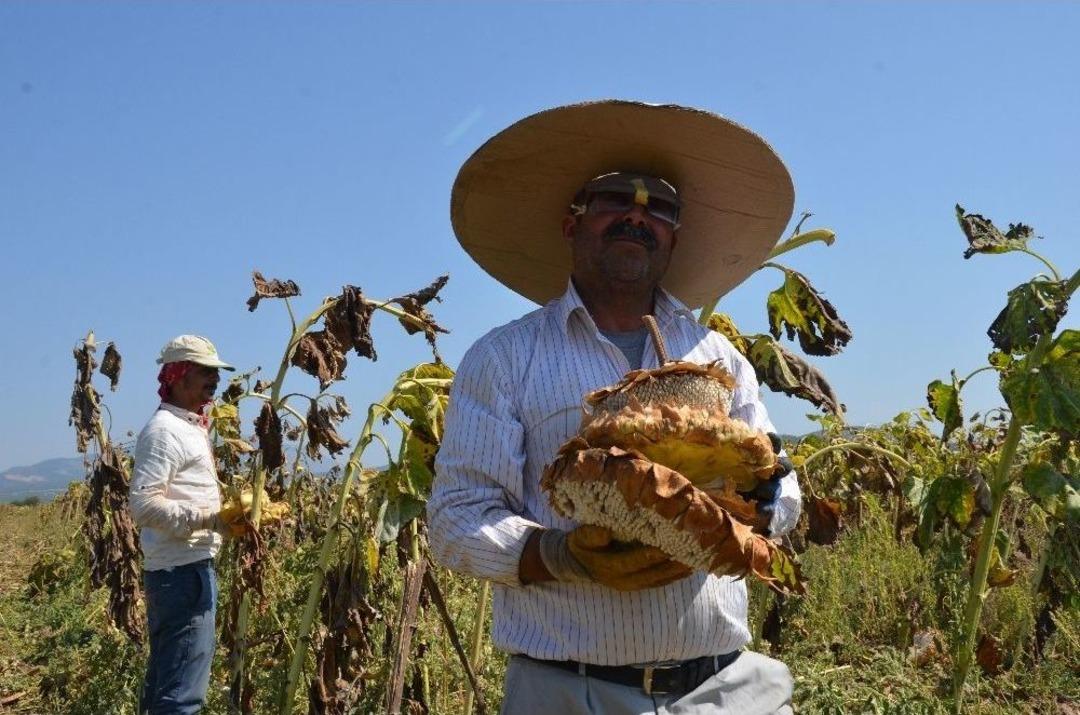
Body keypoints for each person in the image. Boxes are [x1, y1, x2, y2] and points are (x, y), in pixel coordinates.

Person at [427, 101, 802, 714]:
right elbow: (455, 520)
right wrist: (560, 555)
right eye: (613, 201)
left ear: (674, 237)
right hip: (571, 691)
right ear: (573, 224)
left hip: (724, 687)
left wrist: (757, 511)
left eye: (658, 207)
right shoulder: (504, 358)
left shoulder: (720, 357)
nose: (637, 215)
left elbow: (780, 486)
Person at [129, 335, 240, 714]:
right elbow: (144, 506)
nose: (214, 379)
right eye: (204, 371)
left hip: (184, 569)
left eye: (216, 372)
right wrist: (211, 519)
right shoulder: (164, 431)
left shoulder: (190, 427)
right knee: (182, 695)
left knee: (167, 681)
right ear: (177, 375)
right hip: (182, 572)